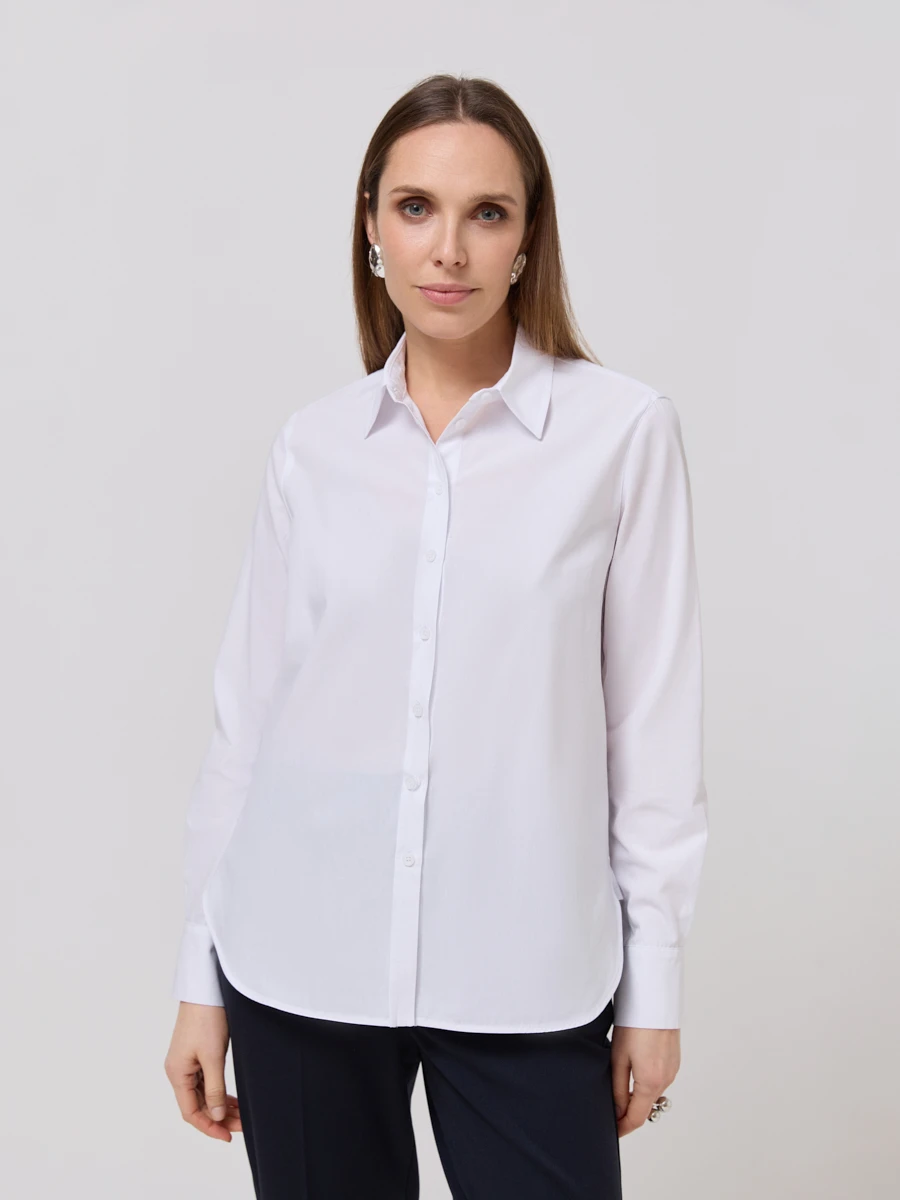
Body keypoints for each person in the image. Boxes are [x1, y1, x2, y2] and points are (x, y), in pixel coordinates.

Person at [164, 73, 708, 1199]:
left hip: (529, 975)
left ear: (528, 237)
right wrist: (199, 976)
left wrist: (653, 990)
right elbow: (248, 726)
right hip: (296, 966)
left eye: (486, 213)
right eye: (415, 207)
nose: (448, 249)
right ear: (371, 227)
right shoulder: (312, 449)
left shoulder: (621, 436)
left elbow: (652, 736)